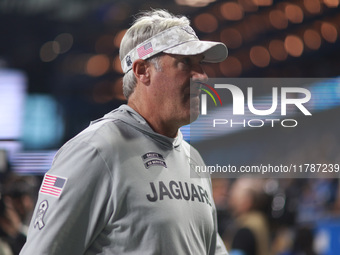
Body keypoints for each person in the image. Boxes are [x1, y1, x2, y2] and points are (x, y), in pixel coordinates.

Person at [20, 9, 228, 255]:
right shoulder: (95, 151)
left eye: (200, 64)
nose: (202, 76)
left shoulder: (193, 159)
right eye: (185, 63)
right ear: (142, 71)